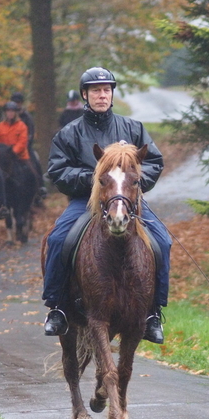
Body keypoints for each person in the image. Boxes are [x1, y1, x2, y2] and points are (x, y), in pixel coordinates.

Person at [43, 67, 171, 344]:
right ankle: (57, 308)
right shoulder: (69, 133)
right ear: (85, 96)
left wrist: (128, 182)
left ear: (112, 94)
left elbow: (154, 162)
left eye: (106, 90)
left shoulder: (133, 128)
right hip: (85, 201)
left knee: (163, 242)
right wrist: (97, 180)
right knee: (57, 240)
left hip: (126, 200)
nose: (102, 95)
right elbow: (57, 170)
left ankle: (153, 313)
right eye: (95, 91)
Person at [11, 91, 45, 198]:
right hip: (9, 150)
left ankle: (40, 186)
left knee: (35, 161)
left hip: (25, 147)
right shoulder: (7, 117)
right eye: (15, 102)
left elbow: (30, 133)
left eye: (18, 102)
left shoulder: (27, 117)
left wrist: (25, 144)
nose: (17, 104)